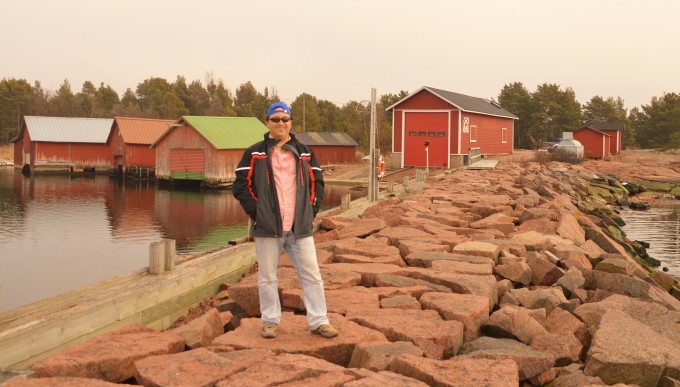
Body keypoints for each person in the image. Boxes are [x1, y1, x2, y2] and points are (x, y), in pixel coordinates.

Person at [232, 102, 338, 339]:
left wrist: (310, 213)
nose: (281, 123)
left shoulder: (305, 152)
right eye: (276, 119)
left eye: (285, 119)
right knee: (267, 276)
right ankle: (270, 321)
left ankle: (319, 321)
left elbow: (317, 184)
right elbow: (240, 186)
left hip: (299, 228)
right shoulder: (255, 152)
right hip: (268, 228)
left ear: (290, 122)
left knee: (312, 275)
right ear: (267, 122)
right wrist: (257, 213)